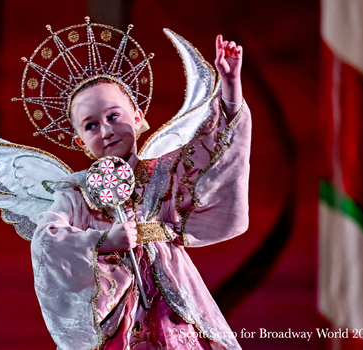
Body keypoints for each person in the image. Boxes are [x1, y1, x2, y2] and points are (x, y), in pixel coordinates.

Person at [30, 34, 249, 349]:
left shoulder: (166, 170)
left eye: (113, 117)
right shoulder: (76, 192)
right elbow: (47, 240)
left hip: (175, 298)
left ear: (137, 117)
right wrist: (105, 241)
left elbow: (215, 153)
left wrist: (229, 87)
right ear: (79, 141)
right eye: (90, 126)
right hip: (118, 311)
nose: (105, 130)